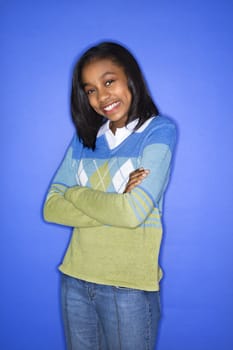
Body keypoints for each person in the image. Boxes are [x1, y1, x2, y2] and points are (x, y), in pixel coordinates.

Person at [43, 41, 176, 350]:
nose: (101, 97)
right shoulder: (84, 139)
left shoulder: (158, 131)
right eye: (90, 90)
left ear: (130, 77)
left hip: (127, 286)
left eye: (108, 81)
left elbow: (132, 214)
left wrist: (74, 193)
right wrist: (116, 198)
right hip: (75, 279)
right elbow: (51, 208)